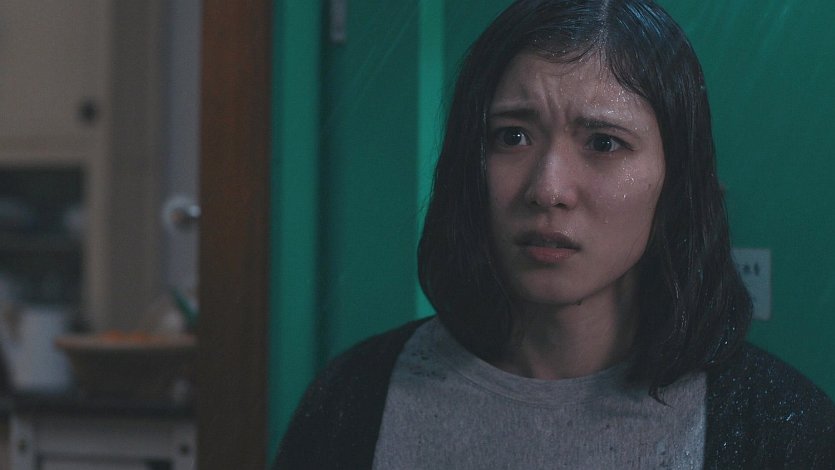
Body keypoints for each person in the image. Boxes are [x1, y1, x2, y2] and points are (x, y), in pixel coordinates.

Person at [274, 0, 835, 468]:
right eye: (512, 137)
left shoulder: (778, 429)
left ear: (675, 178)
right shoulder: (353, 397)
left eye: (604, 143)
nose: (547, 189)